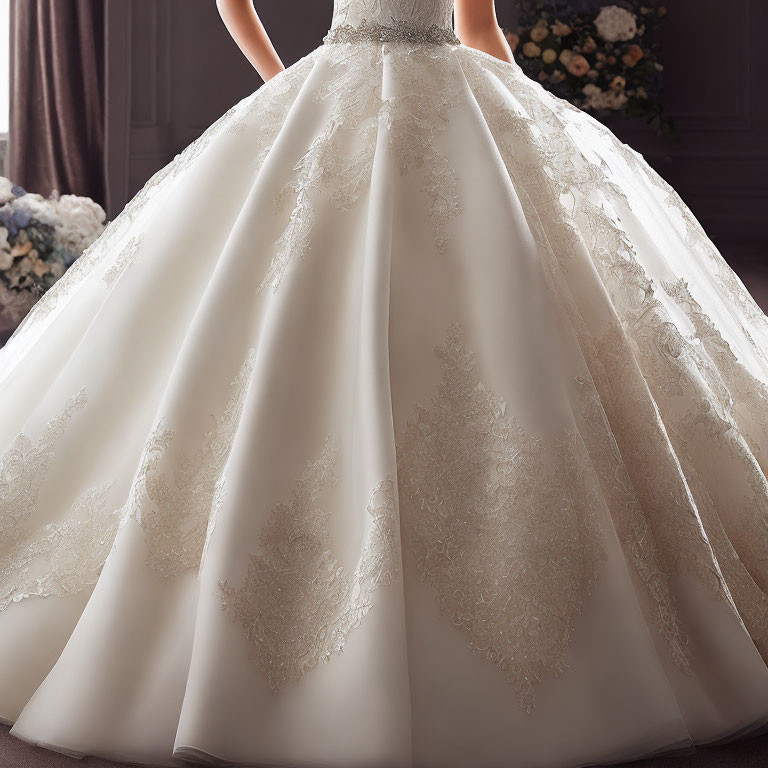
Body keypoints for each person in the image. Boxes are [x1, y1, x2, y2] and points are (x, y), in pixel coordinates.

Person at [2, 1, 768, 766]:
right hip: (417, 95)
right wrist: (529, 127)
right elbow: (479, 30)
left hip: (354, 91)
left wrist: (285, 79)